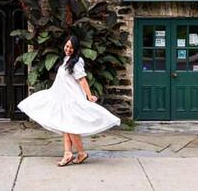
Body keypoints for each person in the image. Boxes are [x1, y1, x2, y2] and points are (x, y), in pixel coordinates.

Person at [18, 35, 121, 166]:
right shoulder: (66, 59)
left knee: (71, 127)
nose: (68, 49)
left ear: (76, 49)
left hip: (72, 99)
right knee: (65, 126)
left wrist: (89, 96)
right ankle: (68, 154)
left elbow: (82, 79)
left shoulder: (77, 62)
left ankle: (81, 153)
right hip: (62, 98)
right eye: (67, 46)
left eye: (71, 47)